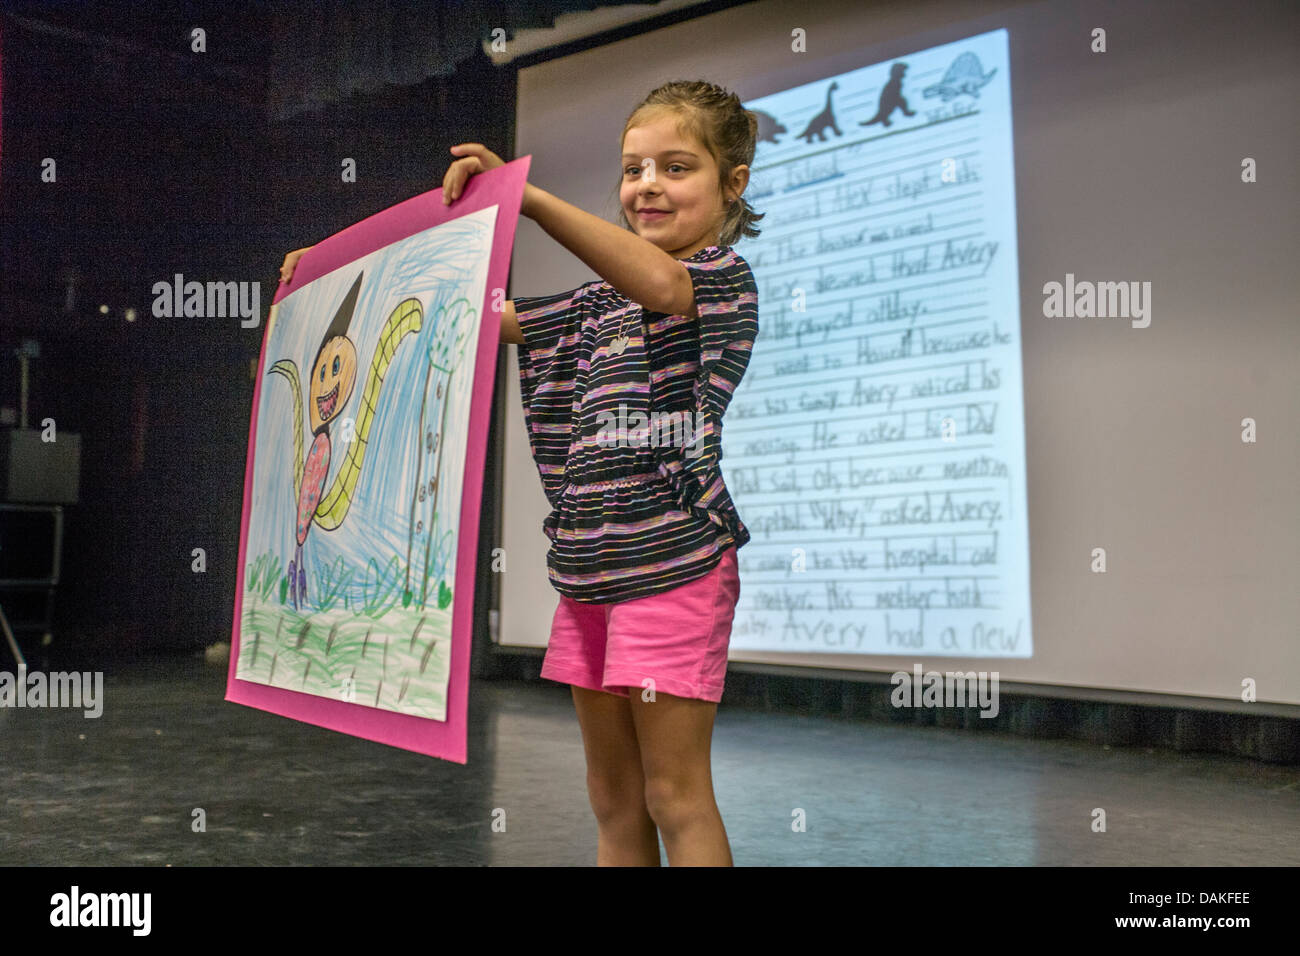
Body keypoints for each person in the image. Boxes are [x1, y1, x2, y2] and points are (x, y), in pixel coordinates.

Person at [279, 79, 762, 867]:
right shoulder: (595, 302)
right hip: (587, 574)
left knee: (673, 794)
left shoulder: (718, 277)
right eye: (634, 169)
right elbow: (473, 309)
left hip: (672, 569)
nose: (647, 186)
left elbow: (663, 286)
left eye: (676, 169)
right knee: (613, 800)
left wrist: (527, 199)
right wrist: (335, 277)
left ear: (731, 182)